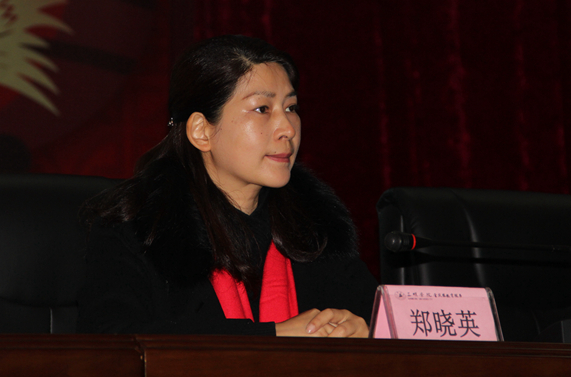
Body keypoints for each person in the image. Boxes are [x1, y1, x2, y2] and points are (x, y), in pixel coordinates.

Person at [76, 35, 378, 337]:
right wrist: (272, 337)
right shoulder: (139, 227)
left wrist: (367, 330)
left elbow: (381, 319)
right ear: (202, 131)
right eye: (262, 109)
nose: (288, 128)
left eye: (291, 108)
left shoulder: (315, 226)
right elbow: (111, 341)